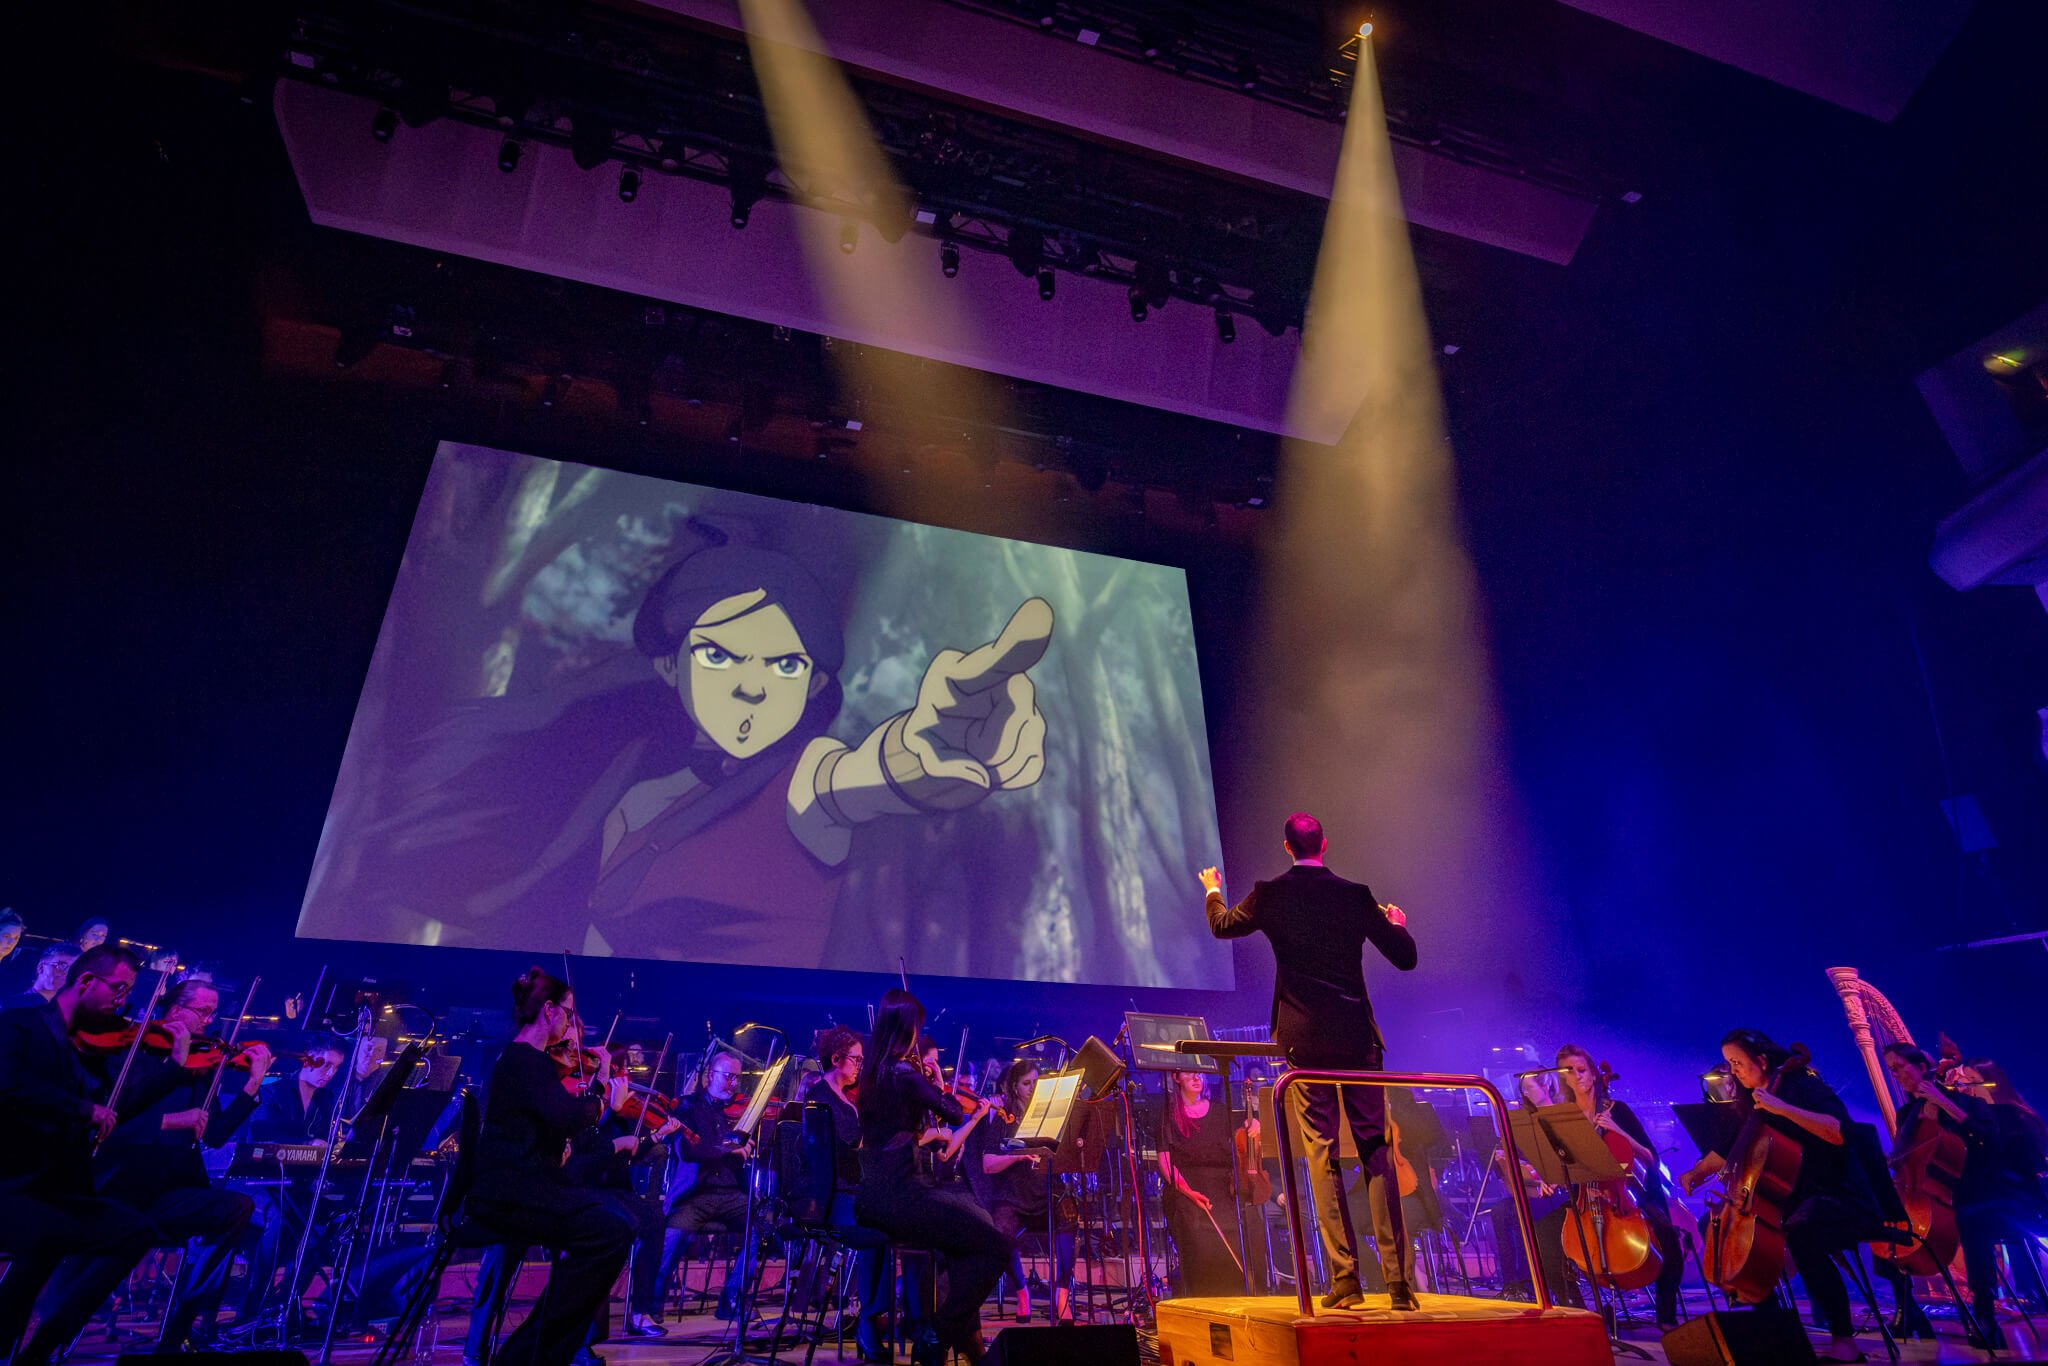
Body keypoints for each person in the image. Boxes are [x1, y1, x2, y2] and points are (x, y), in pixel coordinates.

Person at [1201, 811, 1419, 1310]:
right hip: (1356, 1039)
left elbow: (1222, 926)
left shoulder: (1272, 893)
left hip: (1306, 1043)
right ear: (1325, 843)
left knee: (1322, 1152)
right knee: (1375, 1150)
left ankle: (1346, 1281)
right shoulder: (1356, 895)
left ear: (1286, 847)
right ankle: (1399, 1285)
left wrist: (1213, 888)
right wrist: (1397, 924)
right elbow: (1404, 957)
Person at [37, 977, 272, 1351]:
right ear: (176, 1010)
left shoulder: (203, 1062)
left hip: (170, 1189)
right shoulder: (131, 1053)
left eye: (213, 1013)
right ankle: (49, 1332)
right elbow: (110, 1119)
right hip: (119, 1185)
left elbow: (214, 1135)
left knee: (235, 1208)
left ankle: (180, 1326)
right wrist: (170, 1120)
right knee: (112, 1241)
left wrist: (251, 1086)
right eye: (203, 1011)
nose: (209, 1021)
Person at [0, 944, 190, 1365]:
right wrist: (82, 1108)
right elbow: (7, 1085)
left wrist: (174, 1070)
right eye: (118, 990)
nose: (122, 1003)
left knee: (134, 1231)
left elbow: (117, 1110)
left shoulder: (91, 1051)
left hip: (58, 1190)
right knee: (42, 1246)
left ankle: (39, 1350)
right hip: (10, 1184)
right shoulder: (20, 1026)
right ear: (86, 981)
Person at [465, 968, 634, 1366]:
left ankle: (540, 1352)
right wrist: (604, 1100)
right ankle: (529, 1356)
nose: (574, 1024)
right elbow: (567, 1116)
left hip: (521, 1186)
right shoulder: (526, 1061)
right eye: (569, 1013)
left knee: (614, 1224)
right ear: (548, 1010)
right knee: (611, 1230)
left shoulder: (523, 1060)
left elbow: (547, 1124)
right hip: (511, 1193)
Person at [1679, 1030, 1878, 1365]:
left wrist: (1783, 1108)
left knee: (1803, 1234)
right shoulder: (1751, 1097)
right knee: (1713, 1227)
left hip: (1834, 1192)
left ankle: (1844, 1341)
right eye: (1730, 1064)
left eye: (1738, 1062)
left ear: (1761, 1060)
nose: (1734, 1071)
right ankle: (1770, 1323)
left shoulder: (1802, 1085)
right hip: (1785, 1197)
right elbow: (1734, 1147)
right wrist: (1698, 1172)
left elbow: (1838, 1131)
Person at [855, 989, 1007, 1366]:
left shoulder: (872, 1073)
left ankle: (964, 1340)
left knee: (966, 1236)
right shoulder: (904, 1073)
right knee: (997, 1247)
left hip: (875, 1195)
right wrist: (937, 1081)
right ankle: (938, 1333)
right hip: (902, 1197)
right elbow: (954, 1112)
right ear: (907, 1029)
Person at [1879, 1043, 2019, 1350]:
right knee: (1883, 1225)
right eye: (1892, 1070)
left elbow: (1989, 1141)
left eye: (1901, 1066)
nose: (1897, 1074)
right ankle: (1909, 1310)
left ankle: (1984, 1314)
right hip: (1927, 1192)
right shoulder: (1907, 1113)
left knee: (1972, 1224)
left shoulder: (1966, 1103)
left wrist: (1945, 1104)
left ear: (1921, 1066)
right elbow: (1906, 1156)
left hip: (1973, 1190)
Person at [1556, 1046, 1685, 1330]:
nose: (1577, 1077)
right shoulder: (1565, 1119)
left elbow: (1651, 1159)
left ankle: (1665, 1314)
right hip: (1586, 1197)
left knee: (1667, 1240)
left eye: (1581, 1070)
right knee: (1555, 1237)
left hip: (1631, 1195)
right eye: (1569, 1072)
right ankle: (1585, 1311)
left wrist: (1618, 1130)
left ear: (1592, 1073)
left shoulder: (1618, 1111)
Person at [970, 1059, 1075, 1321]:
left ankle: (1062, 1294)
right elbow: (987, 1163)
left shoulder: (1052, 1116)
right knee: (1000, 1232)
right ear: (1015, 1087)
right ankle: (1022, 1292)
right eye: (1027, 1083)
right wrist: (1016, 1157)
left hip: (1046, 1190)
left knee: (1070, 1217)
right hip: (1013, 1194)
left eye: (1036, 1083)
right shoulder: (1005, 1118)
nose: (1032, 1087)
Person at [658, 1047, 758, 1320]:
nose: (733, 1084)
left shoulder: (736, 1112)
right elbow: (691, 1151)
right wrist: (728, 1147)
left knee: (760, 1227)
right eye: (728, 1077)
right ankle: (651, 1304)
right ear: (711, 1075)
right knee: (673, 1238)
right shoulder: (687, 1106)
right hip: (695, 1195)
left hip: (731, 1195)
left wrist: (749, 1141)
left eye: (737, 1078)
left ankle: (730, 1301)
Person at [1157, 1068, 1248, 1298]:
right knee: (1199, 1240)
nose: (1197, 1078)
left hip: (1222, 1188)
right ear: (1176, 1077)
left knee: (1243, 1232)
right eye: (1189, 1073)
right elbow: (1166, 1163)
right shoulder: (1168, 1114)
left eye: (1200, 1073)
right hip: (1186, 1189)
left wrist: (1252, 1127)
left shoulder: (1219, 1111)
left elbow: (1242, 1137)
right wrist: (1189, 1193)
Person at [12, 943, 78, 1007]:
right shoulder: (13, 1005)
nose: (66, 973)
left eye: (73, 968)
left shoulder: (69, 1010)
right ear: (41, 967)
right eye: (62, 965)